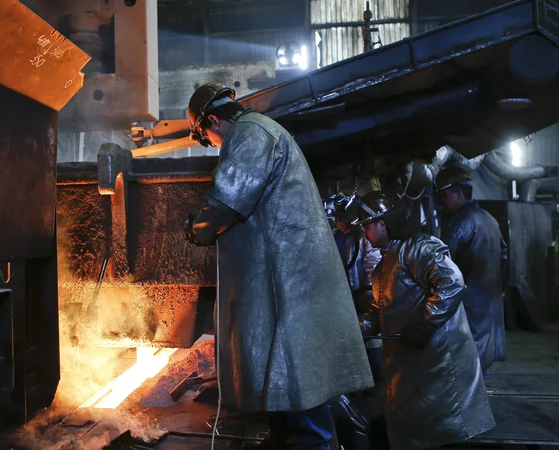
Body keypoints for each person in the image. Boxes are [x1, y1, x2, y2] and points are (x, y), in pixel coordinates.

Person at [183, 82, 374, 450]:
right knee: (284, 376)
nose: (213, 146)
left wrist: (197, 228)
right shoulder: (263, 131)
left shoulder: (251, 134)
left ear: (212, 121)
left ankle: (311, 443)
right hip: (285, 276)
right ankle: (285, 438)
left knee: (300, 375)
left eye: (205, 138)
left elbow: (228, 199)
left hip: (291, 280)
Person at [354, 191, 495, 450]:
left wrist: (425, 323)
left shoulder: (420, 248)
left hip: (437, 356)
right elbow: (379, 308)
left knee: (445, 428)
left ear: (382, 224)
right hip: (411, 361)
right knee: (419, 429)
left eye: (367, 226)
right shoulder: (383, 265)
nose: (365, 233)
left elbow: (452, 282)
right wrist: (356, 330)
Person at [435, 167, 507, 376]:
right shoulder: (488, 218)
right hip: (488, 301)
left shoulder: (462, 221)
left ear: (459, 193)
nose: (442, 202)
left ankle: (472, 408)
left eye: (445, 196)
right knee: (478, 361)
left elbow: (444, 264)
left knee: (467, 364)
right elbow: (504, 254)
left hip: (470, 303)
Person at [331, 194, 383, 382]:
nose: (338, 223)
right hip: (344, 299)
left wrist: (368, 293)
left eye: (342, 219)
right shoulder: (335, 238)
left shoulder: (364, 237)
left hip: (363, 298)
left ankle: (377, 382)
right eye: (337, 219)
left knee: (371, 342)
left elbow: (374, 265)